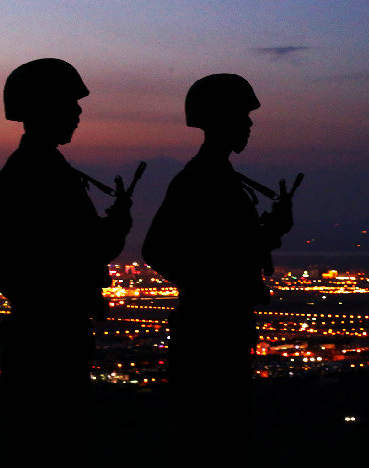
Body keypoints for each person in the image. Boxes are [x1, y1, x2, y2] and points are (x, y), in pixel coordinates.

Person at [0, 58, 133, 465]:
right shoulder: (33, 171)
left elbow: (76, 248)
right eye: (69, 103)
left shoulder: (43, 168)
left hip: (52, 336)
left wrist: (108, 233)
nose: (78, 113)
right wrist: (42, 304)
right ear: (43, 107)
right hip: (47, 342)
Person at [142, 73, 296, 468]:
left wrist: (266, 236)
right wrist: (214, 288)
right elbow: (158, 249)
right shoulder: (200, 180)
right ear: (219, 118)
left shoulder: (220, 179)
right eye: (241, 115)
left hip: (219, 325)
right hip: (209, 330)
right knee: (209, 439)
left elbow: (229, 250)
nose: (248, 124)